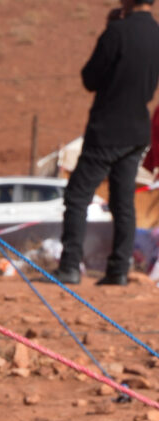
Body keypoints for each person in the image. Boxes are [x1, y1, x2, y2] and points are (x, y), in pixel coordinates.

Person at [56, 0, 159, 286]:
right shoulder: (157, 34)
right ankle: (118, 270)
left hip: (108, 129)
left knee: (77, 196)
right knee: (123, 201)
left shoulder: (118, 32)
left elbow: (90, 78)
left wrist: (112, 28)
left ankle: (69, 267)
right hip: (138, 129)